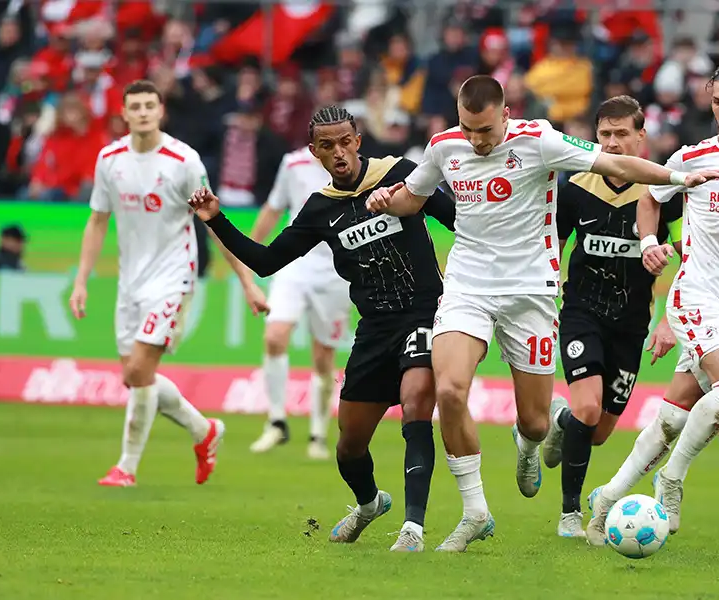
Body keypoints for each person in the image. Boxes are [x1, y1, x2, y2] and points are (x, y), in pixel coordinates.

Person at [365, 74, 719, 552]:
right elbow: (412, 199)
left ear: (506, 116)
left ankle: (530, 442)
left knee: (538, 420)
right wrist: (386, 199)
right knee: (450, 391)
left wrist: (681, 178)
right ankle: (475, 512)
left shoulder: (539, 140)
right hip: (467, 286)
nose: (476, 141)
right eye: (468, 129)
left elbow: (616, 161)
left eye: (486, 131)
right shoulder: (442, 147)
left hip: (529, 294)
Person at [189, 105, 456, 553]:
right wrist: (216, 218)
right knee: (349, 446)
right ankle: (370, 503)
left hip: (423, 314)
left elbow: (459, 222)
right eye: (327, 145)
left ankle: (413, 528)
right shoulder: (320, 209)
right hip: (372, 330)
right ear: (314, 151)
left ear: (358, 141)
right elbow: (266, 261)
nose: (338, 152)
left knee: (416, 405)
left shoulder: (404, 175)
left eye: (345, 141)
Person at [585, 63, 719, 544]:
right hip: (695, 291)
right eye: (717, 102)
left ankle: (606, 498)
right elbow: (649, 200)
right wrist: (648, 245)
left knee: (676, 413)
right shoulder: (692, 157)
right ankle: (672, 479)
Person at [70, 80, 264, 488]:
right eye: (134, 106)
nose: (142, 112)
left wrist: (247, 282)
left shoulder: (183, 161)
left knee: (140, 370)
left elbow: (214, 223)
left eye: (149, 105)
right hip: (130, 282)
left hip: (174, 277)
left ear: (161, 111)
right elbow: (97, 220)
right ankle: (204, 430)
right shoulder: (109, 159)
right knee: (135, 376)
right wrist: (81, 281)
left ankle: (126, 467)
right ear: (124, 113)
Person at [541, 95, 682, 539]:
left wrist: (669, 319)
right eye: (605, 135)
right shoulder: (576, 188)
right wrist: (543, 305)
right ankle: (569, 516)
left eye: (622, 134)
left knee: (597, 431)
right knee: (587, 408)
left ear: (642, 136)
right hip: (582, 313)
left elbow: (695, 255)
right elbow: (549, 249)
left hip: (631, 322)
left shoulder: (662, 193)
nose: (614, 142)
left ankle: (557, 421)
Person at [245, 147, 349, 460]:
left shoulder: (354, 167)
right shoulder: (292, 163)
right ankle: (276, 421)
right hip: (294, 266)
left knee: (323, 356)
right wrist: (247, 259)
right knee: (274, 336)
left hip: (335, 272)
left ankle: (318, 433)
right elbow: (273, 208)